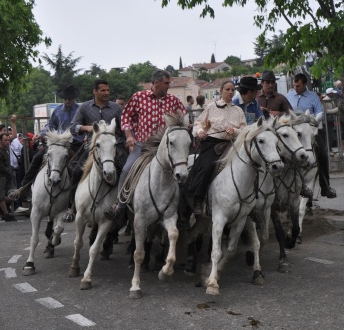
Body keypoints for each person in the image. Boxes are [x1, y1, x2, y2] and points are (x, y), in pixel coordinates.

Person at [104, 70, 185, 224]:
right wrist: (129, 136)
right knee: (127, 169)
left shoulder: (173, 101)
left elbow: (184, 118)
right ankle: (119, 206)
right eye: (166, 83)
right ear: (156, 83)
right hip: (143, 146)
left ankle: (182, 211)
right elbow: (126, 116)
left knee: (183, 171)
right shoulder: (139, 97)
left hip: (166, 148)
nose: (169, 86)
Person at [66, 79, 127, 222]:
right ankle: (71, 208)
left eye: (108, 90)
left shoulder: (116, 108)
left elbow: (124, 127)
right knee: (76, 172)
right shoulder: (85, 107)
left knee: (126, 170)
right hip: (93, 146)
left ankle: (124, 207)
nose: (106, 93)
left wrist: (127, 142)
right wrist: (86, 128)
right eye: (103, 90)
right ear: (95, 91)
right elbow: (73, 127)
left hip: (114, 146)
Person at [186, 79, 246, 216]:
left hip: (233, 144)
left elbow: (244, 129)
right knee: (205, 167)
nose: (230, 92)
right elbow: (198, 123)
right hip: (213, 144)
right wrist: (200, 132)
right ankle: (198, 200)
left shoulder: (238, 110)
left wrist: (234, 131)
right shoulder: (211, 107)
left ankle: (251, 202)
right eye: (227, 89)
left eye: (232, 90)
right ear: (221, 91)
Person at [21, 85, 83, 187]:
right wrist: (41, 134)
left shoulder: (80, 109)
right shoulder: (58, 110)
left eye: (70, 99)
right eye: (65, 99)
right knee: (37, 157)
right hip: (57, 142)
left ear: (73, 98)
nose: (67, 101)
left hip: (75, 142)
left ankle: (80, 191)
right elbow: (50, 125)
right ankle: (24, 187)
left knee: (82, 164)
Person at [286, 73, 336, 198]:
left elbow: (320, 112)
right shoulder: (289, 95)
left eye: (298, 86)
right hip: (294, 133)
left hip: (309, 132)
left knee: (323, 155)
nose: (295, 88)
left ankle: (325, 186)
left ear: (304, 85)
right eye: (294, 86)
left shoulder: (313, 97)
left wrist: (314, 120)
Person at [0, 133, 18, 221]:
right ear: (1, 141)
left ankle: (0, 205)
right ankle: (6, 214)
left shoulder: (6, 150)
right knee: (1, 196)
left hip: (6, 175)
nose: (7, 142)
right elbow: (0, 167)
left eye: (8, 140)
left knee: (14, 193)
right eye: (5, 140)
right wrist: (9, 173)